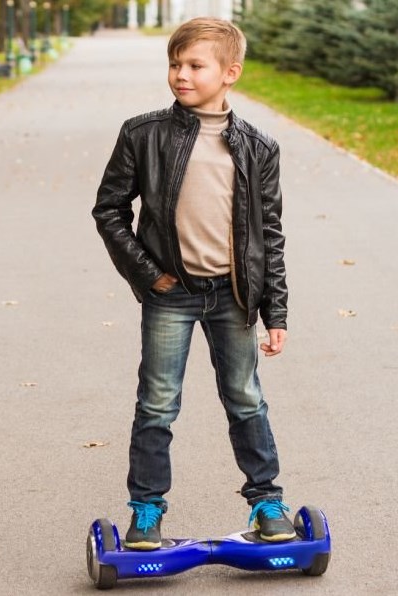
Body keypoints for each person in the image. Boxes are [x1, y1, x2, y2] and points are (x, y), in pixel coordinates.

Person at [92, 17, 296, 550]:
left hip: (233, 296)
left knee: (246, 398)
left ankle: (267, 500)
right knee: (157, 402)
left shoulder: (259, 147)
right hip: (171, 293)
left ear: (230, 72)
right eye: (174, 64)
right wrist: (148, 274)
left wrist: (275, 312)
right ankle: (146, 510)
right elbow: (109, 209)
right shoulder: (143, 133)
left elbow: (268, 233)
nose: (180, 74)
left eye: (194, 65)